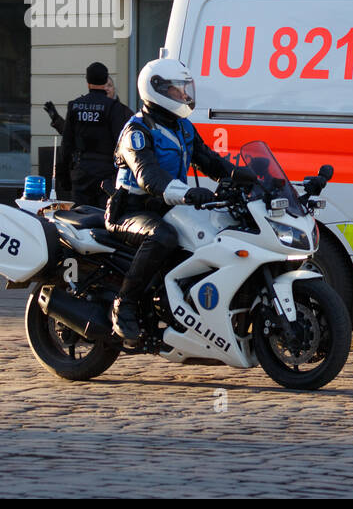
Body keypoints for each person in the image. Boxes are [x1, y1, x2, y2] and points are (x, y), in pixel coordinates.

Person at [106, 59, 252, 346]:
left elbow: (209, 160)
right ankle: (124, 304)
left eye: (185, 90)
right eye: (177, 91)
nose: (184, 96)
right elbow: (149, 177)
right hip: (131, 210)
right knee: (163, 237)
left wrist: (245, 176)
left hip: (168, 207)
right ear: (156, 90)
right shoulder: (136, 131)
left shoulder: (183, 127)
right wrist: (187, 194)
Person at [59, 62, 131, 207]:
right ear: (105, 81)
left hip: (81, 173)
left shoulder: (75, 106)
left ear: (87, 82)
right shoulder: (114, 108)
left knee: (80, 219)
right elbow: (122, 144)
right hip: (106, 175)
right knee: (104, 220)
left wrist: (64, 178)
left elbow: (66, 145)